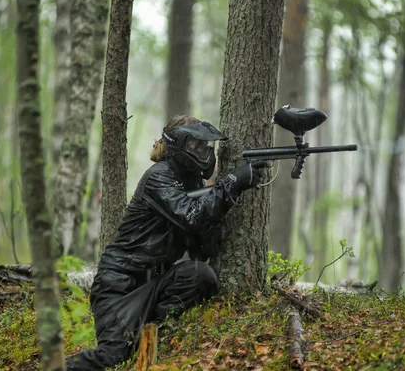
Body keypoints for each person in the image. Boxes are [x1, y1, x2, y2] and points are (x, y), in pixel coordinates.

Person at [66, 115, 270, 370]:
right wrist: (230, 184)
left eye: (206, 146)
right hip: (119, 286)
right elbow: (192, 216)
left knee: (201, 276)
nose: (204, 152)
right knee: (114, 358)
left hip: (156, 282)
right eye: (196, 145)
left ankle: (156, 331)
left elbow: (201, 250)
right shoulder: (158, 177)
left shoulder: (193, 183)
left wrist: (219, 214)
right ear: (179, 145)